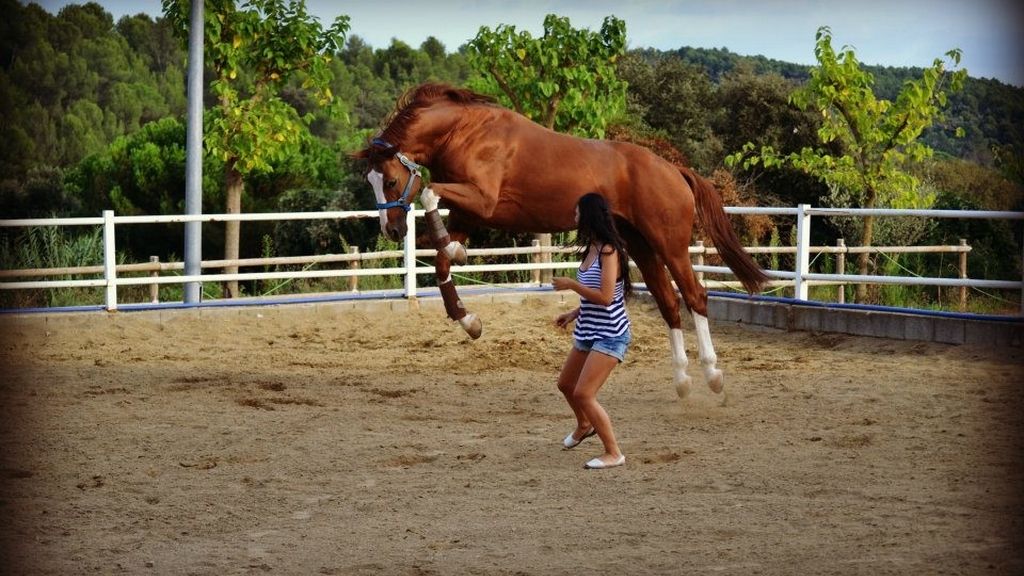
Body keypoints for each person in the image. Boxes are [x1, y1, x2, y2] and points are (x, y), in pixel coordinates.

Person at [552, 193, 633, 470]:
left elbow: (607, 297)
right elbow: (594, 296)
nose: (574, 219)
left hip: (610, 333)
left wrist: (571, 285)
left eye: (577, 214)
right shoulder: (592, 248)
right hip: (588, 329)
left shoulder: (609, 251)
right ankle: (585, 424)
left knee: (584, 393)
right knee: (566, 385)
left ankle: (614, 452)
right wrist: (573, 313)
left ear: (588, 216)